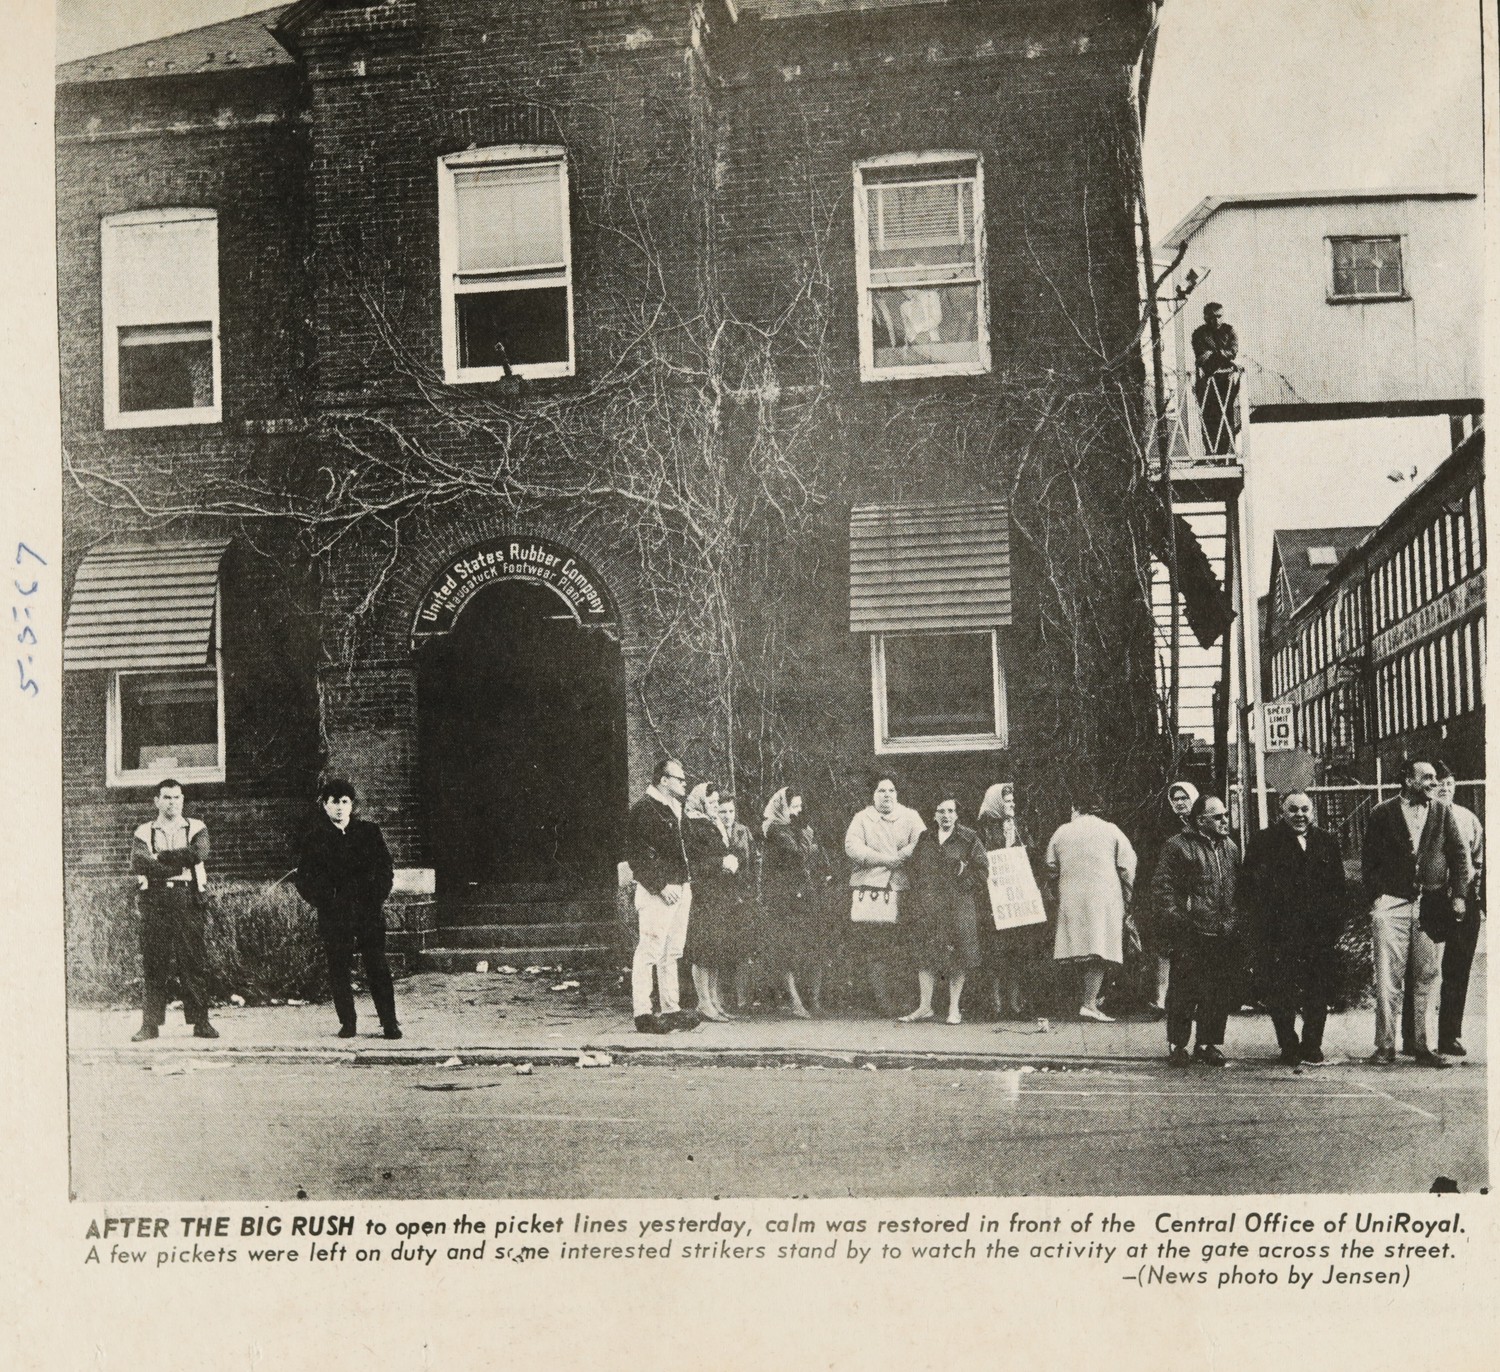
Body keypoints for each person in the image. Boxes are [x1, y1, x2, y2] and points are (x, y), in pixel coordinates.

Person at [1363, 759, 1472, 1067]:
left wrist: (1459, 895)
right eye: (1426, 777)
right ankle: (1385, 1047)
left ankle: (1422, 1046)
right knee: (1388, 977)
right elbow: (1368, 858)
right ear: (1407, 780)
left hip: (1431, 905)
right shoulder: (1381, 813)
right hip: (1391, 904)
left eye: (1435, 778)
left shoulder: (1441, 811)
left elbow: (1459, 855)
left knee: (1427, 975)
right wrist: (1376, 899)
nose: (1433, 783)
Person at [1241, 792, 1347, 1066]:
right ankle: (1288, 1044)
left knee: (1317, 991)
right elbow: (1250, 889)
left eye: (1305, 809)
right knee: (1280, 992)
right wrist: (1262, 930)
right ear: (1282, 812)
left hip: (1318, 934)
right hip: (1279, 933)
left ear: (1313, 811)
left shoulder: (1326, 842)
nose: (1300, 815)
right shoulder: (1264, 842)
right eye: (1293, 810)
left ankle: (1312, 1045)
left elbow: (1338, 889)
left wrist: (1333, 927)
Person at [293, 779, 400, 1040]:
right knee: (338, 968)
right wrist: (326, 900)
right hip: (334, 915)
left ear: (351, 805)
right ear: (325, 805)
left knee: (377, 966)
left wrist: (375, 897)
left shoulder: (368, 832)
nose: (339, 807)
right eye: (333, 801)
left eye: (344, 801)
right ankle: (348, 1023)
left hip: (367, 912)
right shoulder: (315, 838)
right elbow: (304, 878)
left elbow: (385, 869)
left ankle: (389, 1023)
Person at [1154, 794, 1242, 1065]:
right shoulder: (1177, 846)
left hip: (1222, 932)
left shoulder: (1230, 847)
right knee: (1184, 991)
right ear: (1201, 820)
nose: (1225, 820)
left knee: (1217, 992)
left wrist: (1234, 921)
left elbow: (1237, 888)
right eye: (1218, 817)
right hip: (1191, 932)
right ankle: (1177, 1044)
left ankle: (1208, 1043)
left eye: (1225, 815)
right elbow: (1163, 888)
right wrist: (1180, 921)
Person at [129, 779, 216, 1041]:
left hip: (187, 897)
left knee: (192, 960)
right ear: (156, 801)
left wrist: (163, 858)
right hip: (155, 899)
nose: (172, 803)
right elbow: (139, 862)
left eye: (177, 798)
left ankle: (201, 1023)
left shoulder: (196, 827)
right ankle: (150, 1025)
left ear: (183, 800)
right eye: (167, 797)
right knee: (155, 962)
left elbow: (198, 853)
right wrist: (177, 865)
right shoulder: (144, 831)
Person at [1045, 792, 1137, 1023]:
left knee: (1078, 949)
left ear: (1076, 807)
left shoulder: (1062, 831)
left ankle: (1086, 1001)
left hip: (1071, 896)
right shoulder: (1112, 830)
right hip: (1105, 897)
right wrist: (1127, 895)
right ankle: (1089, 1003)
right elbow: (1127, 865)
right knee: (1100, 950)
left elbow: (1050, 865)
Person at [901, 798, 989, 1024]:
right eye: (941, 811)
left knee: (958, 957)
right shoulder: (926, 838)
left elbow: (982, 872)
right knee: (925, 955)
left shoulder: (969, 838)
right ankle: (924, 1007)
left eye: (950, 811)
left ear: (957, 815)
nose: (946, 815)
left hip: (958, 906)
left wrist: (963, 878)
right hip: (930, 906)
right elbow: (916, 869)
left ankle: (954, 1009)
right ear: (934, 815)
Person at [626, 757, 696, 1034]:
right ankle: (643, 1013)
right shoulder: (644, 810)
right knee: (650, 949)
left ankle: (671, 1008)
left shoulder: (674, 808)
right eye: (679, 779)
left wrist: (683, 883)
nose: (684, 783)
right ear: (663, 780)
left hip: (680, 887)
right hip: (659, 892)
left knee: (672, 951)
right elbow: (637, 856)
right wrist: (659, 884)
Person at [845, 775, 925, 1016]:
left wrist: (903, 855)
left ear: (897, 793)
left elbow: (922, 841)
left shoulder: (910, 816)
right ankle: (882, 1001)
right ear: (874, 795)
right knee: (876, 948)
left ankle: (906, 1000)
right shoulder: (862, 818)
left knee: (901, 948)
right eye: (881, 791)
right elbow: (852, 847)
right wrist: (885, 859)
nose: (887, 795)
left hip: (902, 890)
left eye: (891, 790)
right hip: (871, 892)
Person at [975, 783, 1046, 1018]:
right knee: (995, 951)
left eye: (1013, 800)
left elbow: (1032, 856)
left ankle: (1015, 1002)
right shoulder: (983, 828)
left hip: (1015, 900)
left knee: (1017, 950)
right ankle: (994, 1002)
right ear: (996, 802)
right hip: (993, 900)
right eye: (1007, 801)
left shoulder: (1019, 827)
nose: (1012, 804)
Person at [761, 786, 832, 1018]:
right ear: (783, 807)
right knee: (787, 950)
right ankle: (795, 1002)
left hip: (804, 896)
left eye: (800, 807)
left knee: (811, 947)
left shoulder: (793, 829)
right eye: (794, 807)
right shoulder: (776, 830)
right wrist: (808, 840)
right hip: (785, 899)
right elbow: (798, 858)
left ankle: (813, 1000)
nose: (798, 812)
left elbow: (816, 855)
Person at [682, 781, 745, 1023]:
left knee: (716, 949)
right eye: (710, 802)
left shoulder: (711, 824)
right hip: (704, 895)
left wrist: (731, 862)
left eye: (716, 803)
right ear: (700, 802)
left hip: (720, 893)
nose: (714, 807)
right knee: (703, 950)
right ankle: (703, 1002)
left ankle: (714, 1000)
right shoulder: (692, 826)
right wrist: (720, 863)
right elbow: (693, 865)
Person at [1138, 781, 1198, 1018]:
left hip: (1198, 894)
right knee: (1166, 948)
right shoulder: (1164, 829)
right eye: (1175, 799)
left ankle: (1192, 1001)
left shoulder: (1203, 824)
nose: (1180, 803)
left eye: (1184, 798)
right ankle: (1161, 998)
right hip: (1171, 895)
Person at [1191, 302, 1240, 455]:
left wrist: (1213, 353)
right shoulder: (1199, 333)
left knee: (1227, 416)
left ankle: (1226, 455)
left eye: (1219, 316)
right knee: (1208, 417)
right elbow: (1201, 356)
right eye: (1212, 317)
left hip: (1225, 380)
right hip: (1207, 380)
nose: (1216, 321)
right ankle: (1211, 454)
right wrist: (1221, 354)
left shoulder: (1229, 330)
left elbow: (1232, 351)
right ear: (1205, 317)